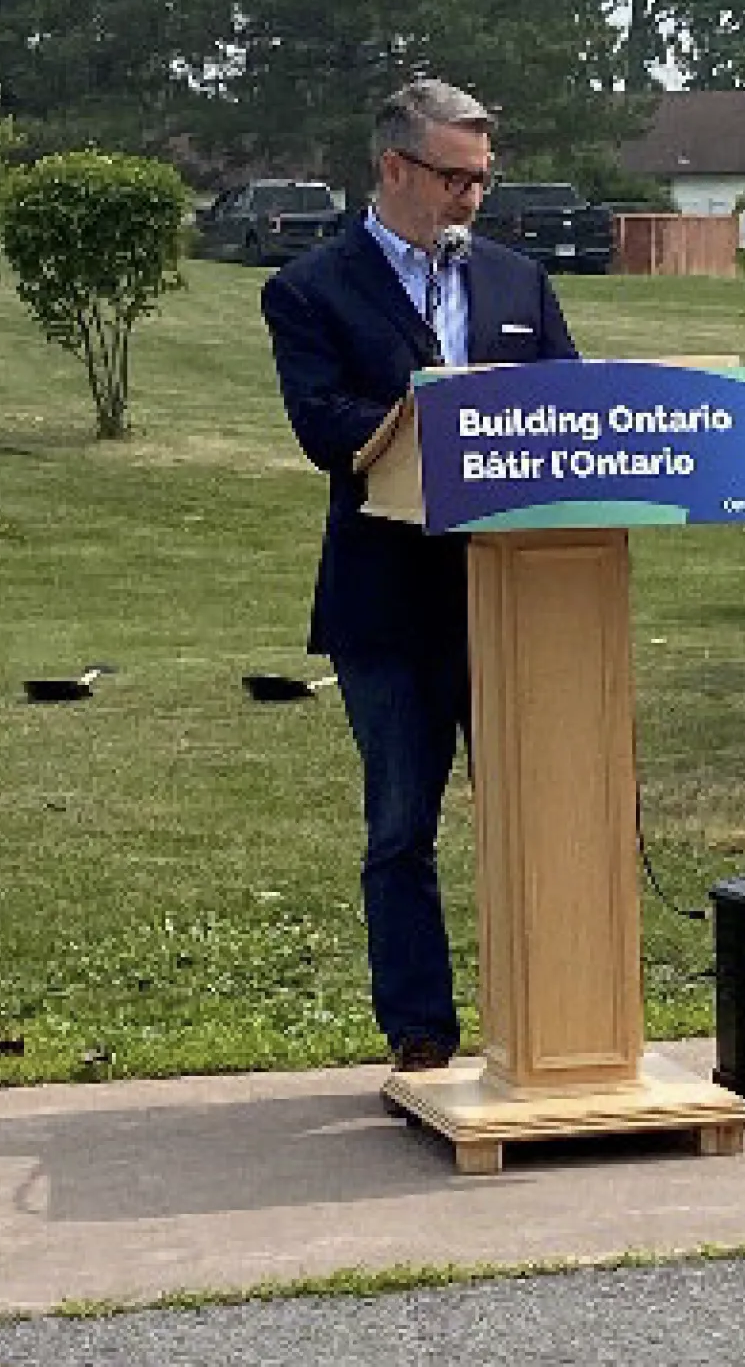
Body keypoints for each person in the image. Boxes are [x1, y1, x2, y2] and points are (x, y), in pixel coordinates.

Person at [260, 79, 578, 1072]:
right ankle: (422, 1034)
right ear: (394, 167)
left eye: (482, 179)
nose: (470, 197)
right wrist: (442, 419)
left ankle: (553, 1023)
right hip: (389, 605)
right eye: (453, 178)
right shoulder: (311, 288)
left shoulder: (518, 283)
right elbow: (327, 428)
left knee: (543, 815)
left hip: (519, 598)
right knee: (402, 827)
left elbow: (571, 411)